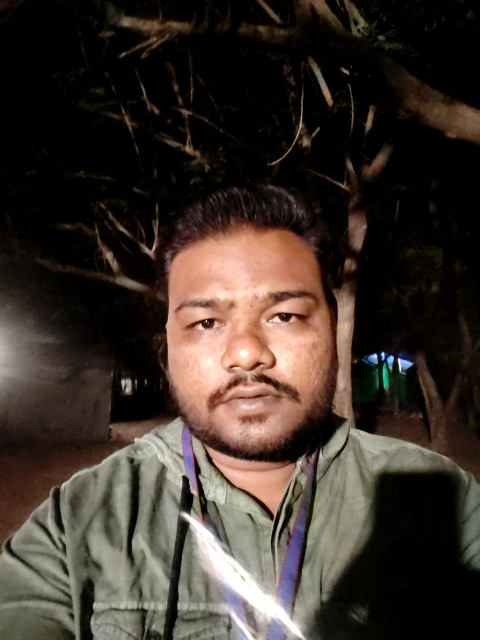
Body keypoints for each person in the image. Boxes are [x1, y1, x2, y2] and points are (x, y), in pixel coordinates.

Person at [0, 183, 479, 639]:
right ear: (169, 345)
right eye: (207, 322)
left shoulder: (446, 502)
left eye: (284, 315)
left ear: (333, 327)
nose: (246, 353)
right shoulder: (76, 523)